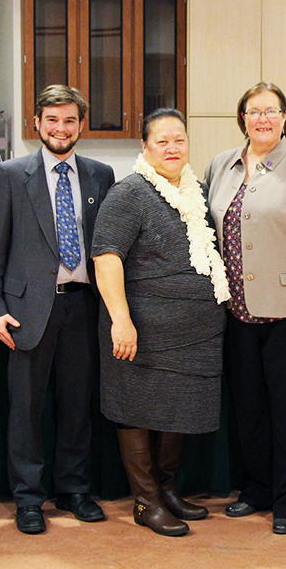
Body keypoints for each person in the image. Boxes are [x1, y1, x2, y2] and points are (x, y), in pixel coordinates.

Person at [0, 85, 115, 535]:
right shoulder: (9, 174)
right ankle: (28, 498)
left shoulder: (101, 175)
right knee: (26, 410)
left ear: (82, 124)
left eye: (70, 120)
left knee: (78, 406)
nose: (61, 129)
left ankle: (74, 489)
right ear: (36, 124)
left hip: (83, 306)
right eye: (52, 120)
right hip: (26, 312)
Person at [205, 82, 286, 536]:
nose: (262, 118)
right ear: (242, 117)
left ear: (285, 117)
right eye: (254, 111)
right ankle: (257, 489)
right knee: (250, 411)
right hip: (236, 313)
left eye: (271, 111)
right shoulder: (221, 165)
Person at [92, 108, 229, 537]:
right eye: (162, 141)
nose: (173, 148)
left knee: (177, 413)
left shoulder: (197, 192)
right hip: (143, 333)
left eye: (180, 140)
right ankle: (145, 501)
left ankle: (167, 490)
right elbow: (106, 257)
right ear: (145, 147)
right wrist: (121, 319)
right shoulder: (129, 193)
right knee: (138, 411)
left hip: (195, 335)